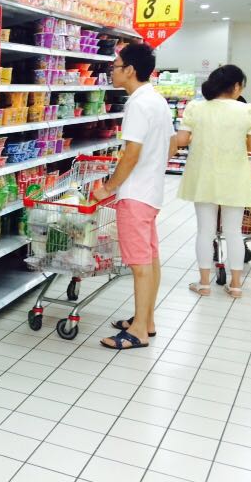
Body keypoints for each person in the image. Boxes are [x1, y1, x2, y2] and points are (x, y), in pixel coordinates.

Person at [93, 43, 176, 350]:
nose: (112, 72)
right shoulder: (157, 100)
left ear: (129, 70)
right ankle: (146, 320)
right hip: (151, 191)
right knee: (150, 258)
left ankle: (138, 331)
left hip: (135, 194)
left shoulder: (138, 104)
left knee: (139, 264)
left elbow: (131, 154)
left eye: (115, 66)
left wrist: (108, 188)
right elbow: (172, 144)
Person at [176, 66, 251, 298]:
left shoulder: (196, 108)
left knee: (205, 231)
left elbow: (181, 140)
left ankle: (204, 283)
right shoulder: (247, 110)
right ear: (236, 86)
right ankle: (236, 285)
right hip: (234, 176)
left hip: (203, 176)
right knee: (234, 231)